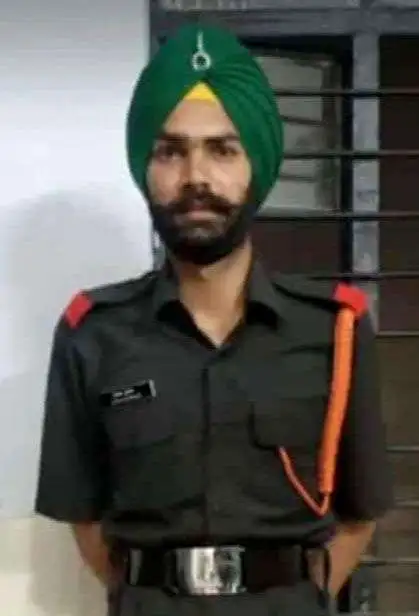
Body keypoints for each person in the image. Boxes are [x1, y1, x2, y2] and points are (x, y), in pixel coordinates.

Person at [35, 23, 393, 616]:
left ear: (256, 165)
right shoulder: (92, 334)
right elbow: (86, 521)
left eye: (223, 150)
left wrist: (292, 601)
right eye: (170, 151)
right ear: (146, 168)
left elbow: (360, 517)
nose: (196, 177)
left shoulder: (336, 330)